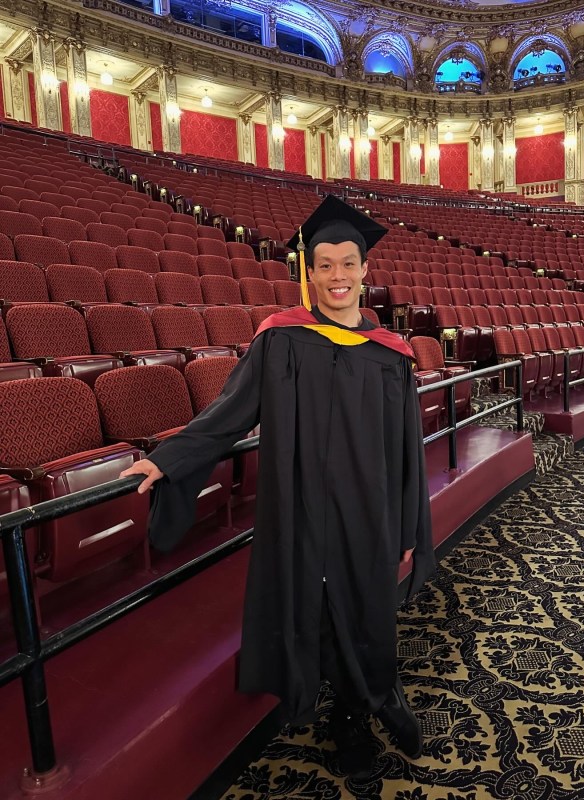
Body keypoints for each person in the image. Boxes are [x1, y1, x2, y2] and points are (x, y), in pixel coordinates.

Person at [121, 195, 435, 779]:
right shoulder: (281, 338)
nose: (337, 275)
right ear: (308, 273)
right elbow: (232, 410)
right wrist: (168, 459)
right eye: (324, 265)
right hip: (303, 504)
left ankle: (379, 694)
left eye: (348, 263)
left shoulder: (391, 354)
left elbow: (405, 449)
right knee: (316, 608)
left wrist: (409, 519)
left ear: (366, 270)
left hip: (369, 507)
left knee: (370, 610)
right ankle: (348, 721)